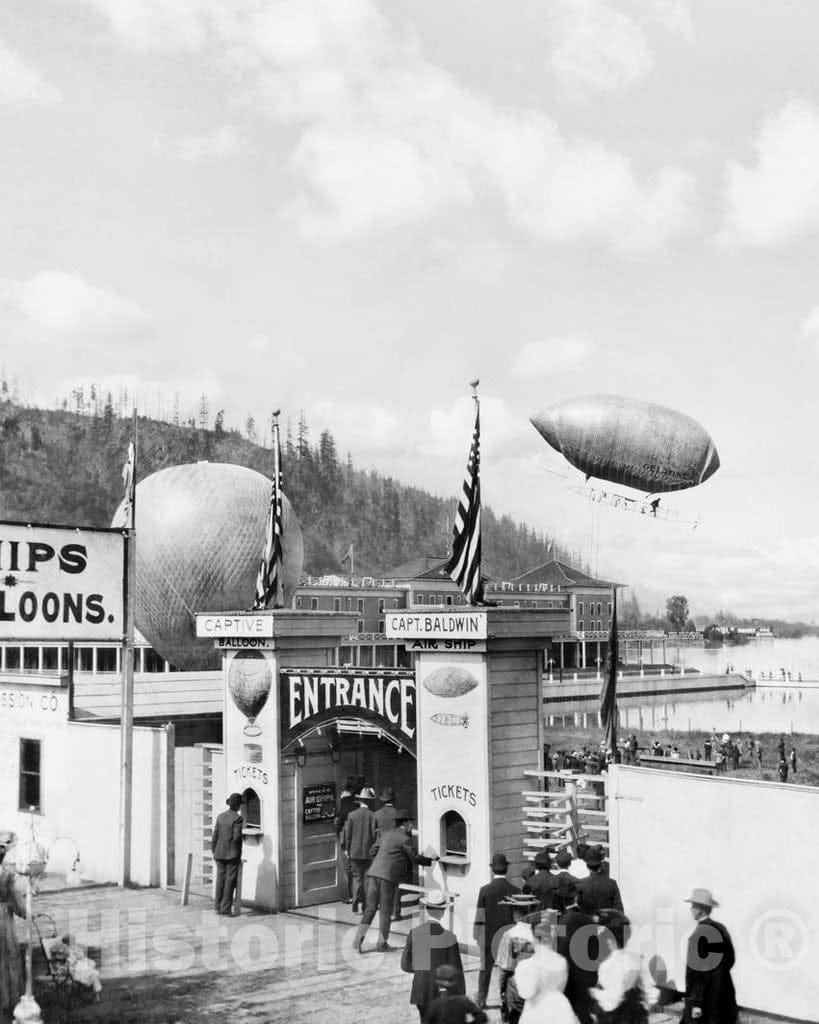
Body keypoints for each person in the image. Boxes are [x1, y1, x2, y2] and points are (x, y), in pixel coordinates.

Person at [355, 809, 438, 953]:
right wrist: (431, 859)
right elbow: (415, 858)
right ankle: (381, 944)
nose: (412, 826)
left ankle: (358, 941)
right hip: (388, 877)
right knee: (385, 911)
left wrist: (382, 862)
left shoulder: (385, 834)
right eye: (411, 823)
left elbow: (372, 852)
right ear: (405, 823)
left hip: (373, 873)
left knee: (370, 908)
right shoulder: (404, 839)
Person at [401, 891, 463, 1022]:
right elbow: (456, 970)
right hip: (441, 992)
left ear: (427, 909)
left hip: (421, 990)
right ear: (443, 911)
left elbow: (405, 965)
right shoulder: (449, 937)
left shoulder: (415, 932)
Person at [683, 888, 737, 1024]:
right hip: (723, 991)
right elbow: (730, 959)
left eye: (693, 906)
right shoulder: (721, 928)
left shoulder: (699, 935)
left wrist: (696, 1003)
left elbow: (697, 971)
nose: (691, 909)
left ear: (699, 909)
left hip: (704, 999)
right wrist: (718, 976)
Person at [591, 910, 656, 1024]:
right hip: (634, 1015)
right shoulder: (634, 959)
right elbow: (648, 989)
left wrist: (593, 993)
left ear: (607, 939)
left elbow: (611, 1002)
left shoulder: (609, 965)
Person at [473, 853, 519, 1010]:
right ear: (506, 869)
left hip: (488, 936)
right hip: (508, 937)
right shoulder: (515, 890)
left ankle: (481, 1000)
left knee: (484, 970)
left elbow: (479, 914)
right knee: (507, 971)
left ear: (492, 869)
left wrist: (476, 934)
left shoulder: (485, 891)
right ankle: (508, 1002)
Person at [515, 921, 577, 1024]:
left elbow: (526, 993)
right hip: (561, 1009)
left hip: (537, 1011)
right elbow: (562, 986)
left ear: (534, 939)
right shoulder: (561, 961)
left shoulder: (527, 965)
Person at [557, 887, 600, 1024]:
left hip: (568, 976)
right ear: (576, 900)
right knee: (584, 1013)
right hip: (587, 975)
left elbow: (560, 950)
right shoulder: (589, 920)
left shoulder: (561, 922)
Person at [495, 894, 540, 1023]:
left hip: (518, 987)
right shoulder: (544, 932)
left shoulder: (510, 934)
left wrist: (502, 992)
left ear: (515, 912)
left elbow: (505, 968)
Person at [342, 787, 376, 913]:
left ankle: (355, 902)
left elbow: (348, 834)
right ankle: (365, 905)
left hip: (354, 852)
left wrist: (347, 849)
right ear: (369, 801)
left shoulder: (352, 815)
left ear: (360, 800)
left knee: (357, 878)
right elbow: (374, 834)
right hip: (368, 852)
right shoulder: (373, 815)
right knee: (367, 879)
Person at [0, 844, 24, 1018]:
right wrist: (23, 912)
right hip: (4, 919)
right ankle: (9, 1001)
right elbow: (16, 900)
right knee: (9, 956)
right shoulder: (7, 876)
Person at [211, 792, 243, 915]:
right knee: (230, 882)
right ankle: (225, 908)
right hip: (231, 854)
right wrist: (237, 853)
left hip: (219, 853)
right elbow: (237, 838)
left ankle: (217, 906)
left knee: (220, 880)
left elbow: (215, 835)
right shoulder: (238, 818)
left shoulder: (220, 816)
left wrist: (214, 850)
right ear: (238, 805)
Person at [374, 786, 402, 920]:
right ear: (394, 800)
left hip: (381, 851)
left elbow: (373, 833)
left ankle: (384, 909)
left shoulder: (377, 814)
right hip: (396, 852)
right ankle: (395, 912)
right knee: (395, 883)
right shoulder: (398, 814)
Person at [578, 848, 623, 917]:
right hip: (607, 924)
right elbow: (619, 909)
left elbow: (579, 908)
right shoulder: (612, 883)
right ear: (600, 864)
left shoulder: (581, 884)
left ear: (587, 866)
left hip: (587, 925)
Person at [334, 776, 357, 903]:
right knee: (354, 869)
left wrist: (338, 836)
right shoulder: (355, 803)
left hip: (343, 838)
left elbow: (337, 822)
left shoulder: (340, 802)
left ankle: (346, 896)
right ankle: (355, 895)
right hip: (354, 838)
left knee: (345, 869)